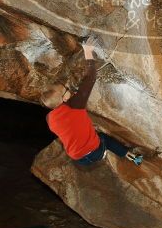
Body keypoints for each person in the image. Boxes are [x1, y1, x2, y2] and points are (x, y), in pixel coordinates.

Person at [47, 37, 143, 166]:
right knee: (104, 138)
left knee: (95, 135)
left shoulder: (50, 119)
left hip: (78, 159)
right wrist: (88, 51)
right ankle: (132, 157)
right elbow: (91, 77)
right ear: (64, 98)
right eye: (66, 88)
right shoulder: (76, 105)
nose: (68, 87)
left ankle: (122, 154)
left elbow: (70, 127)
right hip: (95, 153)